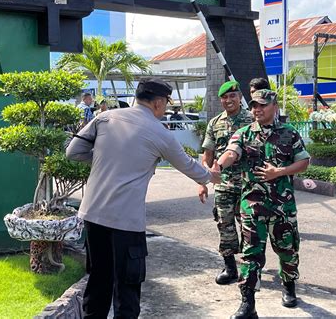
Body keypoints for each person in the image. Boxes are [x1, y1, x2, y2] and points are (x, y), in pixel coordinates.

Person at [66, 77, 221, 319]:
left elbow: (72, 151)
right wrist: (211, 177)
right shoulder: (160, 133)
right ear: (158, 103)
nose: (167, 108)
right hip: (125, 221)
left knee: (98, 278)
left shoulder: (105, 118)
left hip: (92, 215)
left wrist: (104, 160)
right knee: (128, 288)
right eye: (167, 103)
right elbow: (189, 166)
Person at [217, 89, 310, 319]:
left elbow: (304, 161)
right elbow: (231, 153)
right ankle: (248, 303)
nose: (257, 110)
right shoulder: (244, 133)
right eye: (254, 106)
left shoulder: (289, 133)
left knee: (287, 249)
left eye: (262, 105)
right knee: (251, 255)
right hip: (252, 207)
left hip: (282, 207)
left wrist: (279, 172)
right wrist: (219, 166)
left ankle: (289, 286)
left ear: (274, 107)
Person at [198, 80, 253, 285]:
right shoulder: (215, 123)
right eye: (225, 97)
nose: (228, 100)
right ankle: (230, 268)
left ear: (239, 97)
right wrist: (202, 181)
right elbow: (207, 156)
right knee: (225, 225)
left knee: (249, 227)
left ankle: (250, 268)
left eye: (232, 96)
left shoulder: (251, 120)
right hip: (223, 185)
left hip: (249, 184)